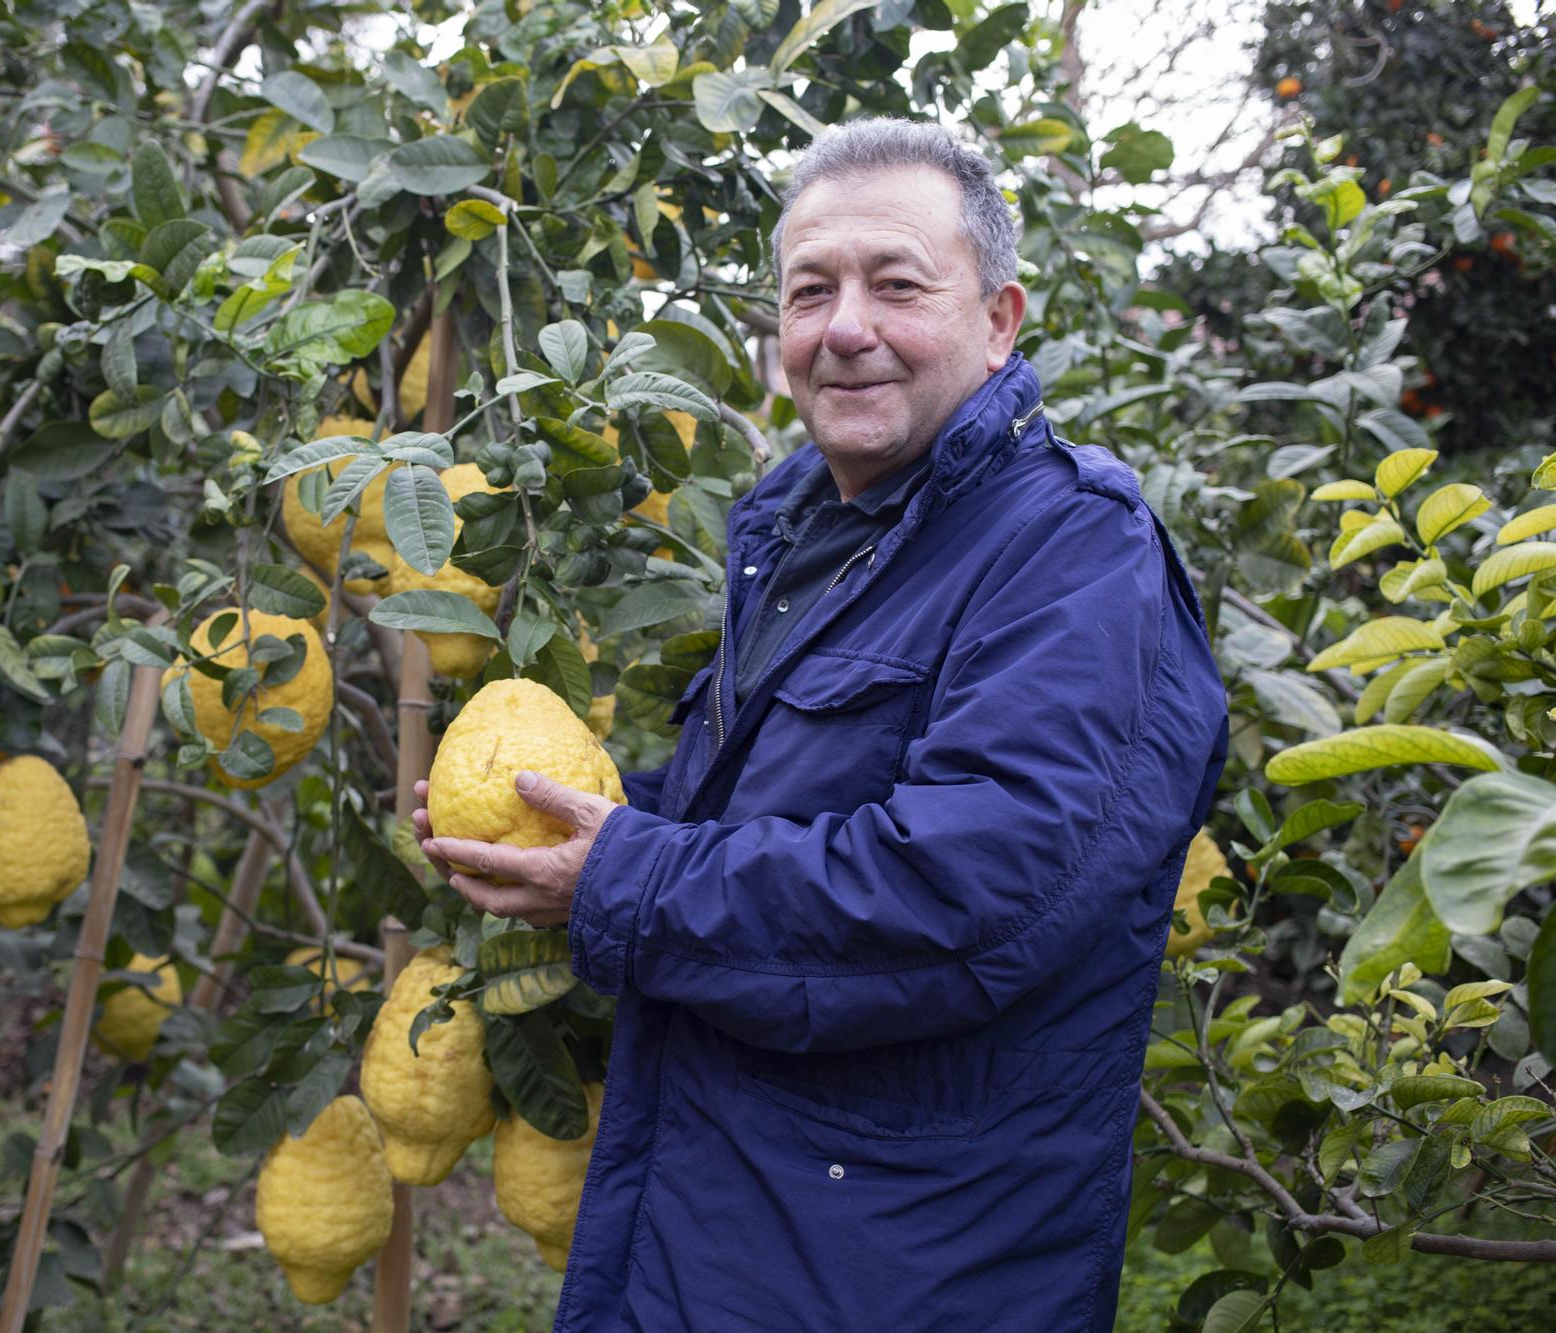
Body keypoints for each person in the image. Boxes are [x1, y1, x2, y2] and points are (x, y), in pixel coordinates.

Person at [414, 116, 1229, 1331]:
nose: (845, 327)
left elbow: (973, 892)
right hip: (721, 1208)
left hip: (899, 1258)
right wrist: (586, 823)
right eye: (810, 292)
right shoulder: (801, 532)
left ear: (997, 321)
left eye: (896, 286)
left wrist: (626, 876)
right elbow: (784, 811)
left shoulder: (1070, 548)